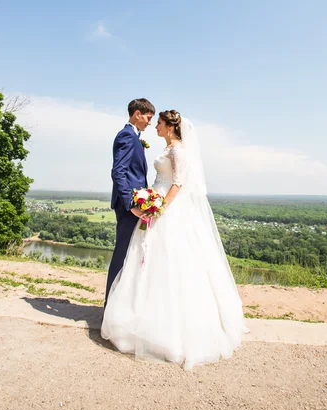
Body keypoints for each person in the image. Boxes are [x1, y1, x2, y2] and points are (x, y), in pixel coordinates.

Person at [102, 109, 248, 370]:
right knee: (145, 261)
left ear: (170, 126)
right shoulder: (166, 147)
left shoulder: (178, 151)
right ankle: (140, 314)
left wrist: (159, 208)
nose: (154, 125)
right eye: (153, 120)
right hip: (155, 203)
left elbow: (178, 183)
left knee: (170, 262)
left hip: (167, 210)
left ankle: (168, 328)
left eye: (158, 122)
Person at [105, 98, 155, 303]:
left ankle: (123, 303)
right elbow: (119, 172)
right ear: (137, 114)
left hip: (135, 204)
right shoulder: (127, 135)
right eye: (148, 117)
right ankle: (111, 304)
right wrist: (131, 204)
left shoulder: (135, 136)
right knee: (123, 253)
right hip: (129, 207)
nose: (150, 122)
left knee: (132, 254)